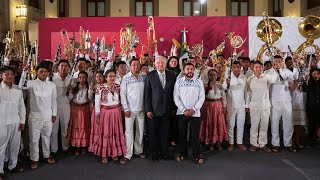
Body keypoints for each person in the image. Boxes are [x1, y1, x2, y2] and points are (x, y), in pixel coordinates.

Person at [19, 63, 57, 169]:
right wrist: (24, 72)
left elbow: (54, 100)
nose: (43, 73)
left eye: (45, 71)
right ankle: (34, 159)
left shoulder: (52, 85)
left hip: (48, 115)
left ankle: (46, 155)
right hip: (34, 116)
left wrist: (54, 114)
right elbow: (21, 86)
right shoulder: (31, 83)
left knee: (46, 137)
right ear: (37, 73)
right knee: (34, 139)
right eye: (41, 71)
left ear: (48, 73)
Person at [89, 70, 127, 163]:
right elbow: (97, 102)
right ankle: (104, 154)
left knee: (115, 132)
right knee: (105, 133)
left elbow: (121, 100)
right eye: (110, 76)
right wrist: (97, 115)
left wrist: (122, 110)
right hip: (105, 112)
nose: (112, 78)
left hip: (116, 112)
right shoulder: (100, 88)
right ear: (106, 78)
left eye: (114, 76)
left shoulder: (118, 87)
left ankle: (115, 153)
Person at [144, 56, 176, 161]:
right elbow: (147, 94)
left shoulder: (172, 75)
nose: (160, 65)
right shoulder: (150, 76)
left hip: (167, 109)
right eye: (158, 63)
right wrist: (148, 109)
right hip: (153, 110)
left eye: (162, 63)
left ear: (165, 64)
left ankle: (164, 153)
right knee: (153, 133)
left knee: (165, 133)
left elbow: (174, 93)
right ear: (155, 64)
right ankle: (154, 153)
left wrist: (173, 108)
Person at [174, 63, 205, 164]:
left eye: (192, 69)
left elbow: (202, 97)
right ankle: (182, 153)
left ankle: (197, 154)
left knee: (195, 135)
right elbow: (176, 97)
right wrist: (184, 110)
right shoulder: (178, 82)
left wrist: (194, 109)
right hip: (181, 112)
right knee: (181, 134)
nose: (190, 71)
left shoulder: (199, 82)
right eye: (188, 69)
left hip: (195, 113)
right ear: (184, 70)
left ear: (194, 70)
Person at [267, 55, 297, 152]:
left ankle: (288, 144)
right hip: (274, 101)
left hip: (286, 100)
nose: (277, 63)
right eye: (275, 61)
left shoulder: (287, 72)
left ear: (282, 62)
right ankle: (275, 144)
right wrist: (276, 74)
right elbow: (270, 82)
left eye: (279, 61)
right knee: (274, 122)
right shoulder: (268, 73)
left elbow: (292, 85)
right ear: (272, 62)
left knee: (288, 122)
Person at [0, 66, 26, 179]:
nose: (10, 76)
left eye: (11, 74)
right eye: (6, 74)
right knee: (1, 147)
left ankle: (13, 165)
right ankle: (0, 170)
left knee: (15, 145)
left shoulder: (17, 90)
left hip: (15, 122)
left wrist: (22, 121)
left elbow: (22, 107)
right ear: (1, 76)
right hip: (2, 122)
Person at [246, 60, 277, 152]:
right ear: (253, 68)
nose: (258, 69)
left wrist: (275, 69)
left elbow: (274, 79)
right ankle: (254, 144)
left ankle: (262, 144)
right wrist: (247, 105)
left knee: (264, 125)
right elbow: (248, 93)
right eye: (256, 67)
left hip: (265, 105)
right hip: (254, 106)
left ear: (262, 68)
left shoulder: (267, 78)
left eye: (260, 67)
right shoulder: (250, 79)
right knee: (254, 125)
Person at [120, 58, 147, 164]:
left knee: (140, 131)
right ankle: (127, 154)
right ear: (130, 66)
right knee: (129, 132)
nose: (136, 67)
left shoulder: (144, 76)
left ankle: (139, 150)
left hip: (142, 109)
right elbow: (122, 94)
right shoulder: (126, 78)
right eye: (133, 65)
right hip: (130, 110)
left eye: (137, 65)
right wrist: (125, 108)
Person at [200, 69, 227, 150]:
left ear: (217, 75)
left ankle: (218, 142)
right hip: (208, 106)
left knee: (217, 123)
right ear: (208, 76)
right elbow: (201, 96)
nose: (213, 76)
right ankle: (210, 142)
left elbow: (223, 96)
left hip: (218, 106)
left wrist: (224, 106)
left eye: (214, 75)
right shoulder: (205, 84)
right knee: (209, 123)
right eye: (211, 75)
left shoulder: (220, 84)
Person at [223, 61, 247, 151]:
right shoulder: (228, 78)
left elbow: (246, 92)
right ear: (231, 68)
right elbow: (224, 90)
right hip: (231, 105)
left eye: (238, 67)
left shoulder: (244, 77)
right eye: (234, 67)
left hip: (241, 105)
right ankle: (231, 143)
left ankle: (240, 143)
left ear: (240, 67)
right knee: (231, 125)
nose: (236, 69)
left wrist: (246, 104)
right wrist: (226, 82)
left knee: (241, 124)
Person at [67, 71, 91, 156]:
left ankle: (84, 146)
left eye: (84, 77)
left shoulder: (88, 87)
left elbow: (90, 98)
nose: (82, 79)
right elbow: (70, 98)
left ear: (86, 78)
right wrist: (70, 90)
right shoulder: (74, 87)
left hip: (85, 108)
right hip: (75, 109)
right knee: (76, 128)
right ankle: (77, 146)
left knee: (84, 127)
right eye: (80, 77)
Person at [50, 60, 72, 155]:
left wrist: (70, 91)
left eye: (66, 66)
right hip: (54, 106)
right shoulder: (52, 78)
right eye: (62, 66)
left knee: (65, 127)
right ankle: (53, 149)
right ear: (57, 67)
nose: (64, 68)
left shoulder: (71, 79)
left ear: (69, 68)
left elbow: (71, 98)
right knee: (54, 129)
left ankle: (65, 147)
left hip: (66, 106)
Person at [303, 68, 320, 145]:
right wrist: (305, 81)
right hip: (311, 107)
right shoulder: (309, 83)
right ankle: (311, 139)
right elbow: (304, 89)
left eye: (317, 74)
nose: (316, 76)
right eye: (314, 74)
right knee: (312, 124)